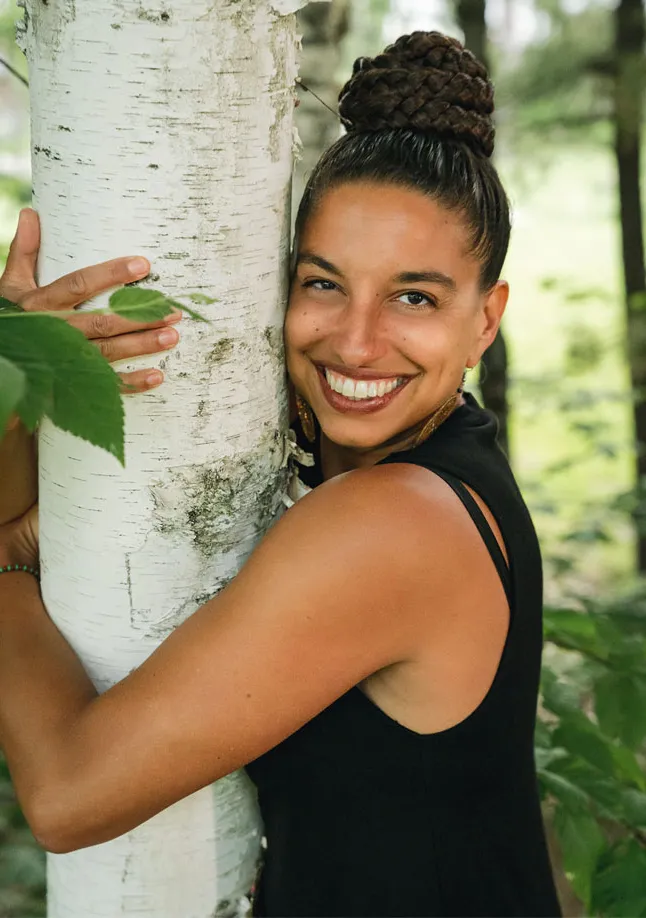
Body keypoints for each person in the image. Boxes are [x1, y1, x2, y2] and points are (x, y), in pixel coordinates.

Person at [0, 31, 561, 918]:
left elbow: (71, 794)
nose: (358, 341)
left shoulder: (395, 521)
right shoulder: (404, 452)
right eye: (324, 283)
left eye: (414, 297)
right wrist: (26, 374)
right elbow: (19, 504)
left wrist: (2, 566)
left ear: (485, 320)